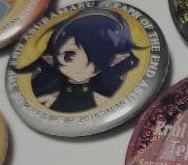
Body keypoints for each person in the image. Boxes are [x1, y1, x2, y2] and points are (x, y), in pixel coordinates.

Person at [13, 9, 144, 113]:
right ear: (51, 59)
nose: (85, 65)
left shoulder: (106, 100)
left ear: (113, 60)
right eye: (69, 56)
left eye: (99, 58)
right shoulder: (46, 100)